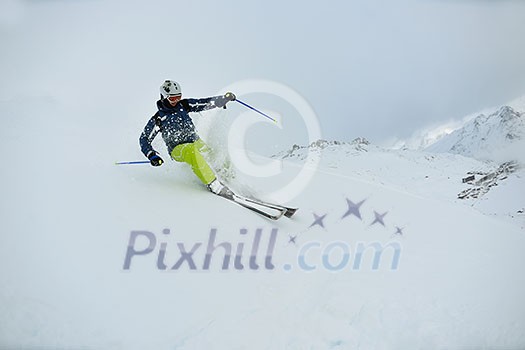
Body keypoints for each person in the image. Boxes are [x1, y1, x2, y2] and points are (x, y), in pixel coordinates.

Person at [139, 80, 236, 198]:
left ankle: (230, 179)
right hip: (177, 149)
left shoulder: (183, 105)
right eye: (172, 98)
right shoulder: (159, 118)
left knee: (215, 154)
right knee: (191, 151)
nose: (176, 101)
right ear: (164, 97)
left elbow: (203, 103)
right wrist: (152, 155)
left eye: (178, 97)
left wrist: (221, 100)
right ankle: (214, 184)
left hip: (195, 141)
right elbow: (144, 138)